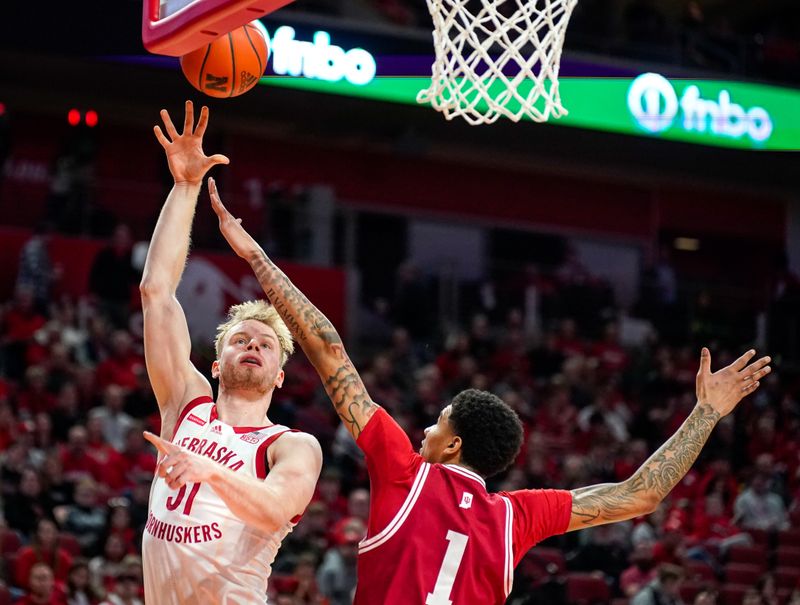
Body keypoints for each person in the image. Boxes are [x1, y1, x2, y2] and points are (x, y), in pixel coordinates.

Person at [209, 175, 771, 603]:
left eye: (437, 422)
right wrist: (706, 412)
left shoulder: (404, 470)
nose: (425, 428)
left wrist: (256, 256)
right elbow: (642, 493)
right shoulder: (515, 517)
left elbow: (329, 349)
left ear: (451, 445)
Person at [138, 101, 322, 604]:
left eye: (265, 344)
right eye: (240, 338)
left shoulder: (292, 445)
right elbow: (156, 290)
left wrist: (209, 470)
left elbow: (276, 509)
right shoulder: (186, 405)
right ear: (216, 363)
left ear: (280, 376)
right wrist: (185, 186)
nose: (252, 345)